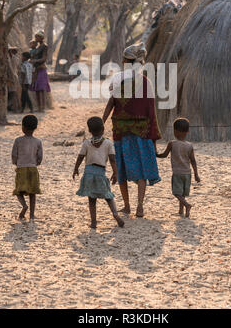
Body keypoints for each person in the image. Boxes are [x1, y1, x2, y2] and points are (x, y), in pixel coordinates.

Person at [103, 43, 161, 218]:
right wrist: (153, 135)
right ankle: (139, 206)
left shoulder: (118, 79)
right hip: (140, 132)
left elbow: (111, 104)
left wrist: (102, 121)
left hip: (121, 130)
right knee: (140, 169)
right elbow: (151, 111)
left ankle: (128, 206)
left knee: (122, 169)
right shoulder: (145, 82)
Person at [73, 117, 124, 229]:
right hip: (101, 172)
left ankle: (94, 222)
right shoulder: (108, 143)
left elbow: (80, 157)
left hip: (88, 173)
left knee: (92, 199)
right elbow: (112, 160)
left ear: (90, 131)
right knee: (108, 196)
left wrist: (76, 168)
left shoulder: (86, 143)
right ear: (103, 129)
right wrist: (115, 173)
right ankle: (115, 214)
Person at [156, 118, 200, 218]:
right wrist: (196, 174)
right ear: (187, 131)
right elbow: (193, 161)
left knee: (176, 192)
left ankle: (187, 205)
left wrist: (156, 155)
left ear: (175, 131)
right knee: (183, 193)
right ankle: (181, 210)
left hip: (177, 173)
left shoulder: (172, 144)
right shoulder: (189, 146)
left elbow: (164, 155)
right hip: (187, 173)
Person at [12, 115, 43, 220]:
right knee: (32, 193)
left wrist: (16, 163)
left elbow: (14, 155)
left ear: (23, 127)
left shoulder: (18, 140)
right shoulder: (38, 142)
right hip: (33, 169)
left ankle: (24, 206)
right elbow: (40, 157)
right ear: (35, 128)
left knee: (18, 191)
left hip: (21, 169)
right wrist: (36, 163)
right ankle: (31, 215)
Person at [29, 31, 51, 112]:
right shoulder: (37, 47)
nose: (36, 38)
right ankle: (39, 107)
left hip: (41, 68)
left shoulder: (44, 46)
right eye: (36, 37)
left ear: (41, 38)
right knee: (37, 89)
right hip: (36, 69)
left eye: (37, 37)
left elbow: (44, 59)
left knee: (41, 89)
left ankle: (43, 107)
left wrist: (34, 61)